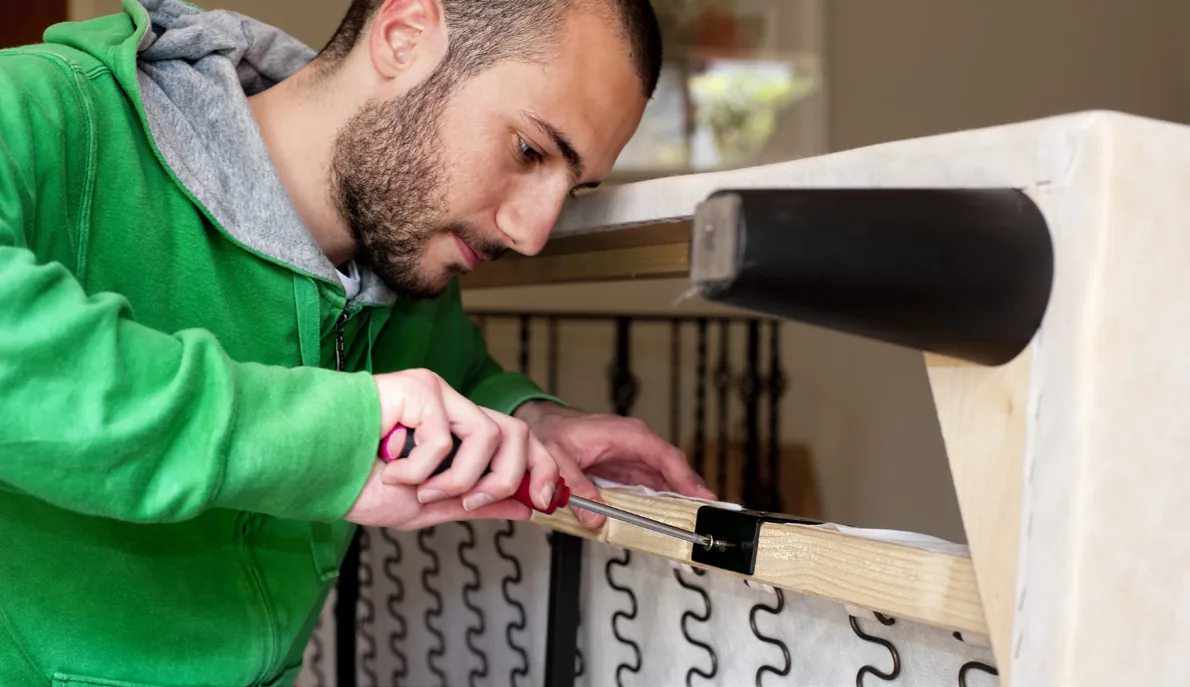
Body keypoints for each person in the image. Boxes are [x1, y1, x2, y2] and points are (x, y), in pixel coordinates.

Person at [0, 0, 716, 684]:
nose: (532, 233)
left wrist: (530, 418)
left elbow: (445, 373)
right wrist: (336, 435)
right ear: (404, 35)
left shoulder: (405, 260)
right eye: (529, 150)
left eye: (575, 188)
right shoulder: (40, 113)